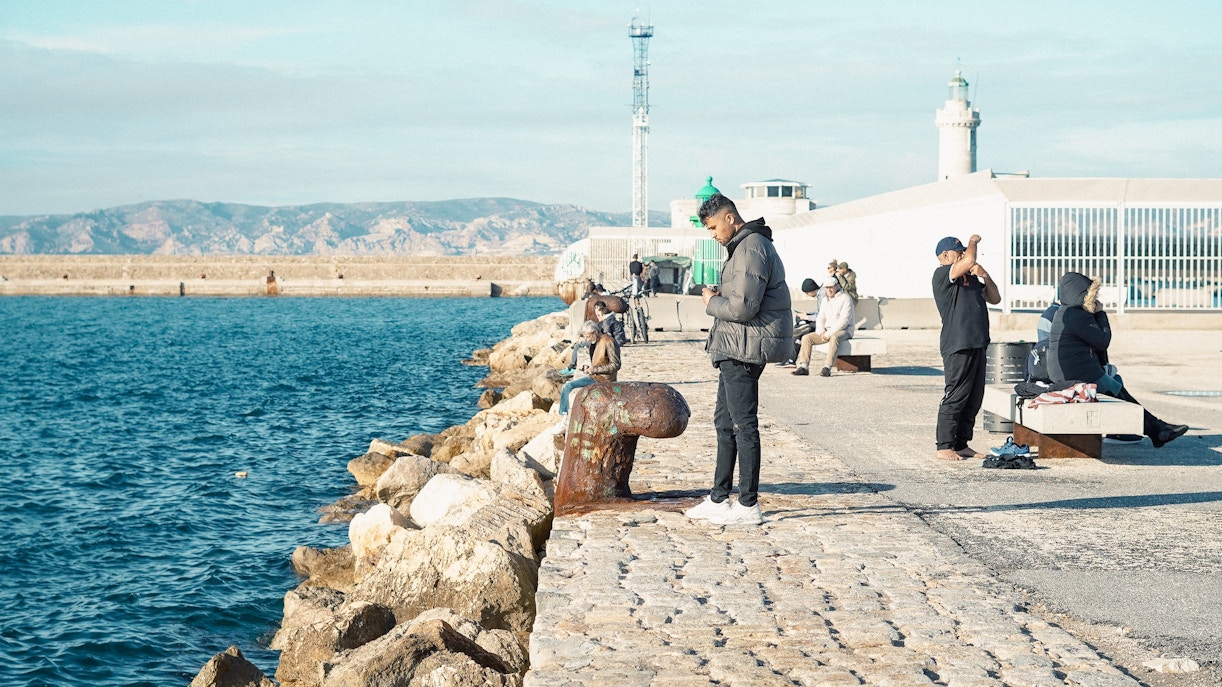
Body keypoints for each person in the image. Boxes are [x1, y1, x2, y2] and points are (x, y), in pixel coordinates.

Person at [684, 193, 792, 527]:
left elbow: (743, 307)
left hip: (744, 348)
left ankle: (748, 505)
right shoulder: (744, 247)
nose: (712, 235)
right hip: (735, 347)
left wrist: (711, 302)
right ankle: (719, 499)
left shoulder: (751, 247)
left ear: (730, 218)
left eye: (714, 226)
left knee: (743, 425)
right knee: (724, 422)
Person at [1048, 272, 1188, 448]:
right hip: (1077, 373)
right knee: (1120, 394)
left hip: (1069, 371)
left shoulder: (1065, 312)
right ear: (1082, 294)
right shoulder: (1076, 314)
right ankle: (1157, 430)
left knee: (1119, 389)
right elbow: (1102, 341)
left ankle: (1158, 429)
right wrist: (1100, 314)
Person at [932, 234, 1000, 461]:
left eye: (962, 251)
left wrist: (985, 276)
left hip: (978, 342)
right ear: (944, 256)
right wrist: (973, 243)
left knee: (974, 397)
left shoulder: (969, 278)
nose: (962, 255)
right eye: (957, 252)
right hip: (957, 343)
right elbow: (969, 260)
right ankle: (944, 445)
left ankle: (961, 443)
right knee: (956, 395)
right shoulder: (943, 274)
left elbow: (995, 298)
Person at [792, 276, 855, 377]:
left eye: (831, 287)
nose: (829, 290)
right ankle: (804, 367)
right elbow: (821, 317)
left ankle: (827, 367)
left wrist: (828, 334)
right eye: (826, 287)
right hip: (827, 330)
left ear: (837, 286)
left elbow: (844, 321)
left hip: (844, 330)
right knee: (806, 338)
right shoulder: (825, 300)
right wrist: (821, 331)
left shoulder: (846, 299)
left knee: (834, 338)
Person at [557, 321, 621, 417]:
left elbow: (616, 365)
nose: (587, 339)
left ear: (595, 332)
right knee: (567, 386)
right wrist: (590, 368)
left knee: (568, 386)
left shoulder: (609, 342)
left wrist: (595, 369)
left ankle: (565, 417)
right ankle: (564, 414)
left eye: (588, 337)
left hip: (604, 380)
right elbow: (600, 361)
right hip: (594, 376)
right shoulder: (596, 341)